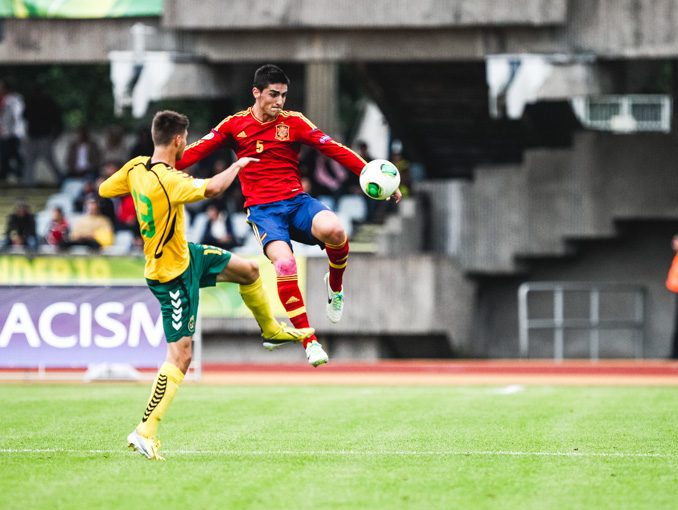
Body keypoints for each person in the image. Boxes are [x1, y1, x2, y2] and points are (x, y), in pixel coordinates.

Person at [99, 110, 313, 460]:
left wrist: (138, 194)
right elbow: (212, 188)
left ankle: (270, 329)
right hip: (171, 275)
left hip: (188, 254)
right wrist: (239, 165)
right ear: (180, 140)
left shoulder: (137, 167)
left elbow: (106, 188)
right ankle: (144, 431)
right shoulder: (170, 179)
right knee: (181, 355)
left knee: (249, 271)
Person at [175, 64, 402, 366]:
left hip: (296, 203)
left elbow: (334, 148)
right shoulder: (234, 125)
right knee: (284, 264)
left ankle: (335, 285)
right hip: (264, 212)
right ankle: (309, 341)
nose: (279, 101)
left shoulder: (293, 122)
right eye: (273, 94)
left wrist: (375, 177)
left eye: (283, 95)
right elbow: (190, 154)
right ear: (256, 93)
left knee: (336, 231)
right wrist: (154, 167)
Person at [23, 85, 64, 185]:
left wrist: (55, 135)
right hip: (33, 136)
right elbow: (24, 115)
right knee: (30, 161)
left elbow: (57, 120)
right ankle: (28, 184)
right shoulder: (32, 102)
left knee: (49, 160)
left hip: (45, 136)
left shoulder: (49, 103)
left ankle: (62, 180)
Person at [0, 79, 26, 182]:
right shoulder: (5, 100)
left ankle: (20, 175)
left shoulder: (14, 100)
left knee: (15, 155)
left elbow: (16, 116)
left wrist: (13, 130)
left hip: (14, 133)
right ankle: (5, 175)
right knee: (5, 155)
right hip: (6, 133)